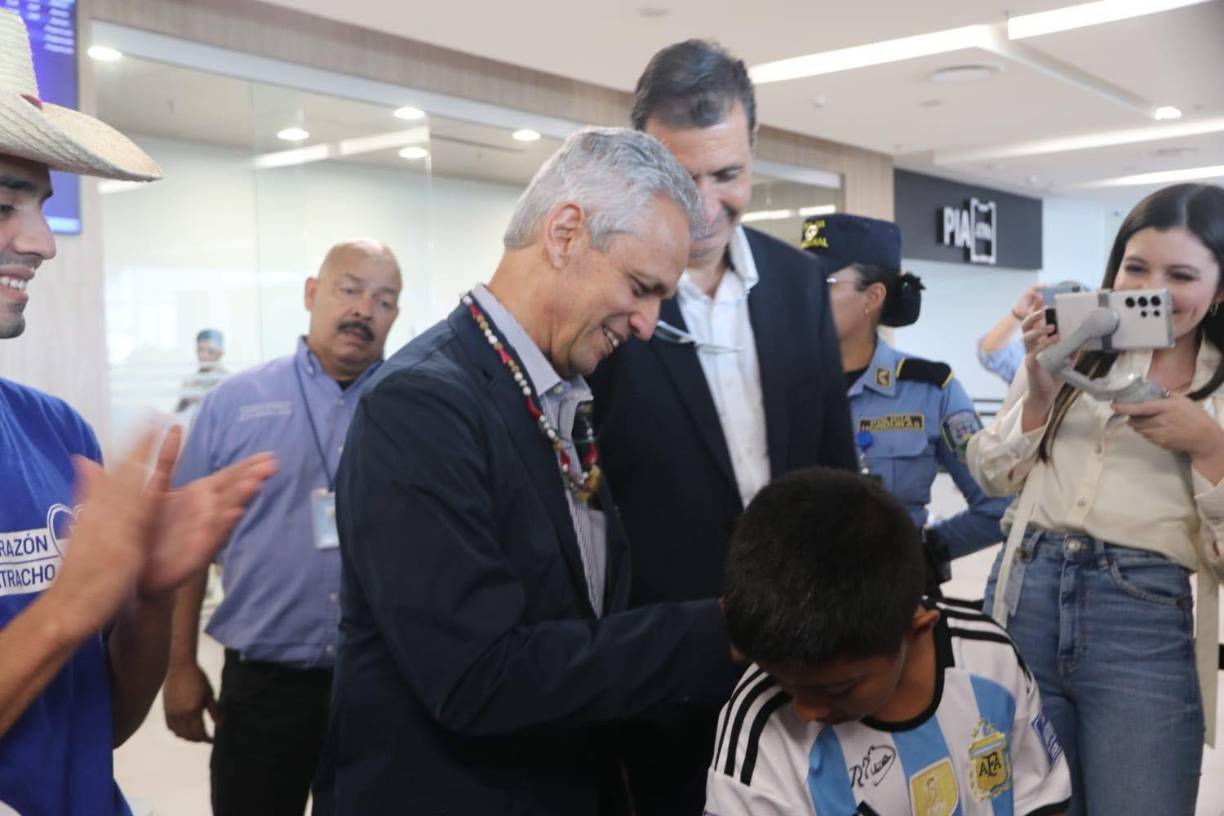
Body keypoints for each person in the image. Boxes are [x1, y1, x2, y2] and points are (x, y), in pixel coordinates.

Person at [311, 127, 740, 815]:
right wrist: (726, 632)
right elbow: (479, 675)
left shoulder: (563, 398)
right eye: (641, 287)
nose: (647, 323)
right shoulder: (419, 405)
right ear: (566, 233)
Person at [0, 10, 275, 814]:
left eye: (42, 207)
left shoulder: (55, 432)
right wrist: (68, 609)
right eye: (4, 203)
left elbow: (100, 732)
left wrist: (147, 596)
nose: (43, 243)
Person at [587, 40, 856, 813]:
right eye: (681, 177)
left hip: (803, 644)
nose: (706, 205)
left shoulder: (800, 283)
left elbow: (833, 462)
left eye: (727, 175)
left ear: (753, 156)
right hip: (664, 652)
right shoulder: (605, 291)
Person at [969, 183, 1224, 815]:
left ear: (1221, 289)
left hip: (1142, 616)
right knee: (1024, 804)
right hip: (1025, 591)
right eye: (1136, 267)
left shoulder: (1215, 392)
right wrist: (1038, 392)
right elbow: (991, 474)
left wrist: (1210, 449)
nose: (1154, 288)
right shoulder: (1080, 345)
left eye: (1183, 274)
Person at [164, 239, 401, 816]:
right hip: (264, 687)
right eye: (349, 290)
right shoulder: (235, 402)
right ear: (312, 293)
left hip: (386, 684)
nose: (364, 310)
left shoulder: (414, 404)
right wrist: (178, 665)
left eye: (384, 300)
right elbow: (186, 547)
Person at [706, 467, 1072, 814]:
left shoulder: (991, 661)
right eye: (784, 682)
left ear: (915, 632)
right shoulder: (760, 723)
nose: (806, 710)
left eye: (837, 689)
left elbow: (1038, 799)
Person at [803, 213, 1008, 592]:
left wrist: (923, 554)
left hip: (894, 605)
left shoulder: (929, 389)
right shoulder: (783, 383)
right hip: (797, 598)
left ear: (873, 297)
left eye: (825, 281)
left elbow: (998, 505)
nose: (806, 291)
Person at [175, 328, 229, 415]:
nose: (204, 355)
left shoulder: (228, 380)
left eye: (210, 351)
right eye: (200, 350)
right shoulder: (189, 381)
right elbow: (178, 412)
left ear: (220, 353)